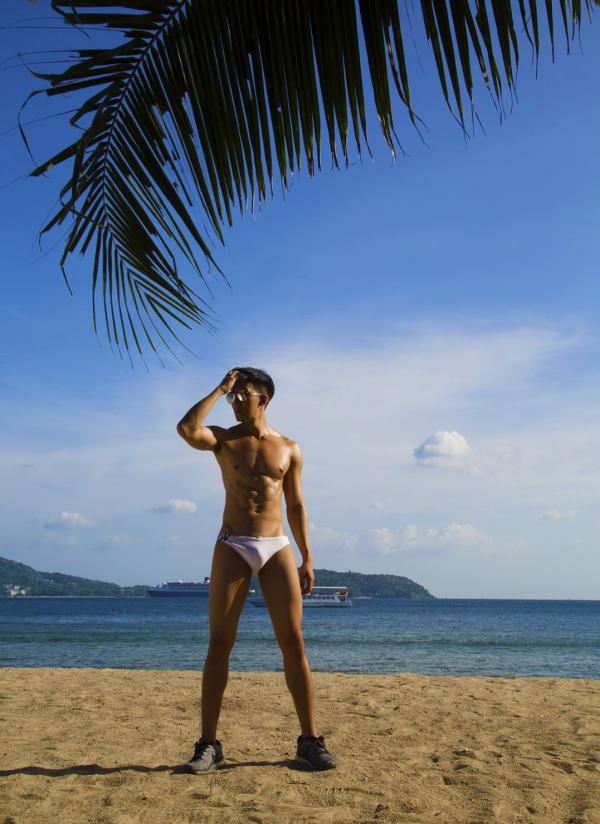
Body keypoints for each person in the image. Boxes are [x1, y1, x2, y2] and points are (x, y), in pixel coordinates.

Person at [176, 367, 336, 773]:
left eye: (241, 394)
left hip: (275, 544)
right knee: (219, 643)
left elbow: (296, 505)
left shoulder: (289, 448)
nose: (234, 401)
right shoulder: (223, 439)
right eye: (232, 395)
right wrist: (220, 388)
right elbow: (186, 429)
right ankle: (208, 745)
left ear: (263, 399)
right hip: (233, 543)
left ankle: (309, 740)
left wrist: (307, 556)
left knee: (294, 642)